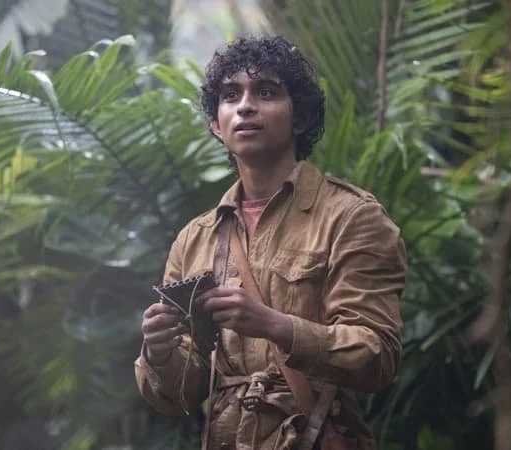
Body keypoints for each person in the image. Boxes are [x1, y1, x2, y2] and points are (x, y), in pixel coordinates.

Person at [134, 35, 407, 450]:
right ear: (216, 125)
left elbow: (377, 356)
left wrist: (274, 325)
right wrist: (159, 350)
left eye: (265, 92)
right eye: (230, 96)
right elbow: (180, 398)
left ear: (302, 117)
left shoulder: (351, 216)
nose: (245, 106)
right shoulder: (195, 238)